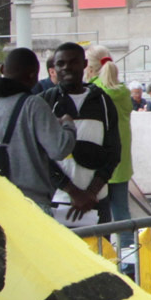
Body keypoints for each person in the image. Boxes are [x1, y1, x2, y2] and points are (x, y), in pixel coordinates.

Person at [0, 48, 73, 211]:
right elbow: (59, 149)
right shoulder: (33, 106)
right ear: (33, 75)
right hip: (30, 205)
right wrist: (67, 124)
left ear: (2, 69)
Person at [48, 43, 121, 221]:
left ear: (84, 64)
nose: (66, 67)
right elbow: (39, 154)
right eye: (61, 63)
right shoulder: (45, 102)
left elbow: (114, 152)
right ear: (54, 68)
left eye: (73, 62)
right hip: (58, 201)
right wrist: (73, 192)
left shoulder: (103, 102)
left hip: (97, 200)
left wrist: (91, 192)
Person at [88, 46, 137, 221]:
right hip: (121, 161)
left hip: (96, 162)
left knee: (96, 215)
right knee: (121, 212)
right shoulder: (123, 92)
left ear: (90, 69)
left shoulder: (91, 92)